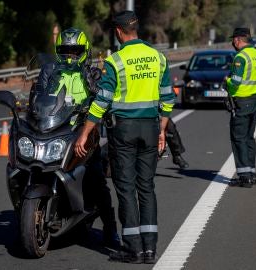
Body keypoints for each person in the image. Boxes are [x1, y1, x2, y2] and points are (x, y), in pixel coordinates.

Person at [74, 10, 175, 264]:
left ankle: (133, 249)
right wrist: (162, 129)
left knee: (126, 188)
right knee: (147, 187)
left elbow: (101, 102)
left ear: (118, 32)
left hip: (124, 131)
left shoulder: (116, 61)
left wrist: (84, 133)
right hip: (151, 128)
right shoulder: (158, 57)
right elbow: (168, 98)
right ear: (135, 28)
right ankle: (150, 249)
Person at [28, 27, 119, 247]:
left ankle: (110, 229)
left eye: (75, 51)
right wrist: (29, 105)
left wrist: (93, 89)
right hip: (54, 128)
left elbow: (102, 99)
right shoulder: (50, 70)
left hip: (83, 131)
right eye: (65, 51)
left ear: (84, 50)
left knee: (96, 178)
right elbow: (38, 95)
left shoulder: (92, 72)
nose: (70, 56)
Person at [226, 27, 256, 187]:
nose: (233, 42)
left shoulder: (240, 57)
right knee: (249, 138)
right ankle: (251, 173)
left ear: (238, 40)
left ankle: (244, 177)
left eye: (234, 39)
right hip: (255, 101)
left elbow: (236, 81)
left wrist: (226, 83)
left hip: (242, 102)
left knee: (238, 138)